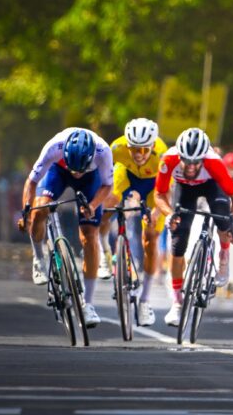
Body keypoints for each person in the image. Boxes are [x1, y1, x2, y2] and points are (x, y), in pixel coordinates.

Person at [18, 128, 114, 327]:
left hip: (92, 180)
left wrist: (93, 206)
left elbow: (107, 185)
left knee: (90, 237)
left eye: (80, 169)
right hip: (58, 172)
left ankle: (88, 304)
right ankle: (38, 259)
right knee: (39, 210)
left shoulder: (103, 152)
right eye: (74, 168)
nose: (76, 173)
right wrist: (26, 212)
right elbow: (32, 180)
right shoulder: (55, 147)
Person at [154, 128, 233, 327]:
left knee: (223, 220)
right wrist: (169, 215)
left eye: (196, 162)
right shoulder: (168, 160)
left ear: (203, 158)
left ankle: (223, 257)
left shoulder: (213, 163)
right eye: (187, 160)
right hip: (184, 189)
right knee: (178, 240)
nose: (191, 166)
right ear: (180, 156)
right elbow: (159, 194)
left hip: (211, 185)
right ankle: (177, 304)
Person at [98, 118, 167, 326]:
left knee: (151, 237)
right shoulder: (116, 148)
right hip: (125, 176)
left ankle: (145, 301)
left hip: (154, 185)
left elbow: (165, 193)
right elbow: (105, 182)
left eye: (144, 150)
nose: (139, 155)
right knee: (107, 205)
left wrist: (154, 212)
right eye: (134, 149)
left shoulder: (163, 156)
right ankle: (104, 251)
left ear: (152, 146)